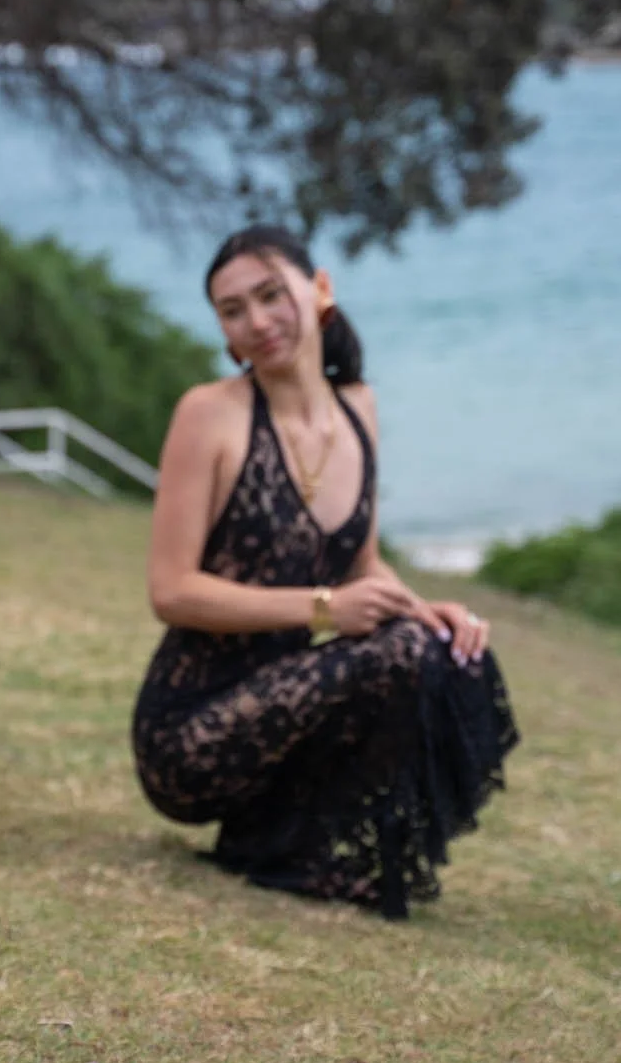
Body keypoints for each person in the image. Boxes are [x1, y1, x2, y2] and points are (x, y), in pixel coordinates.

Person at [131, 226, 519, 920]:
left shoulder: (358, 408)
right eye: (233, 309)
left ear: (320, 290)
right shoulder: (210, 414)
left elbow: (360, 562)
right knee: (401, 651)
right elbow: (172, 591)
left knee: (441, 647)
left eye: (271, 295)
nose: (257, 321)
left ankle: (290, 844)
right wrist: (321, 611)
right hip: (190, 733)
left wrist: (427, 608)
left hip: (293, 709)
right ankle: (278, 845)